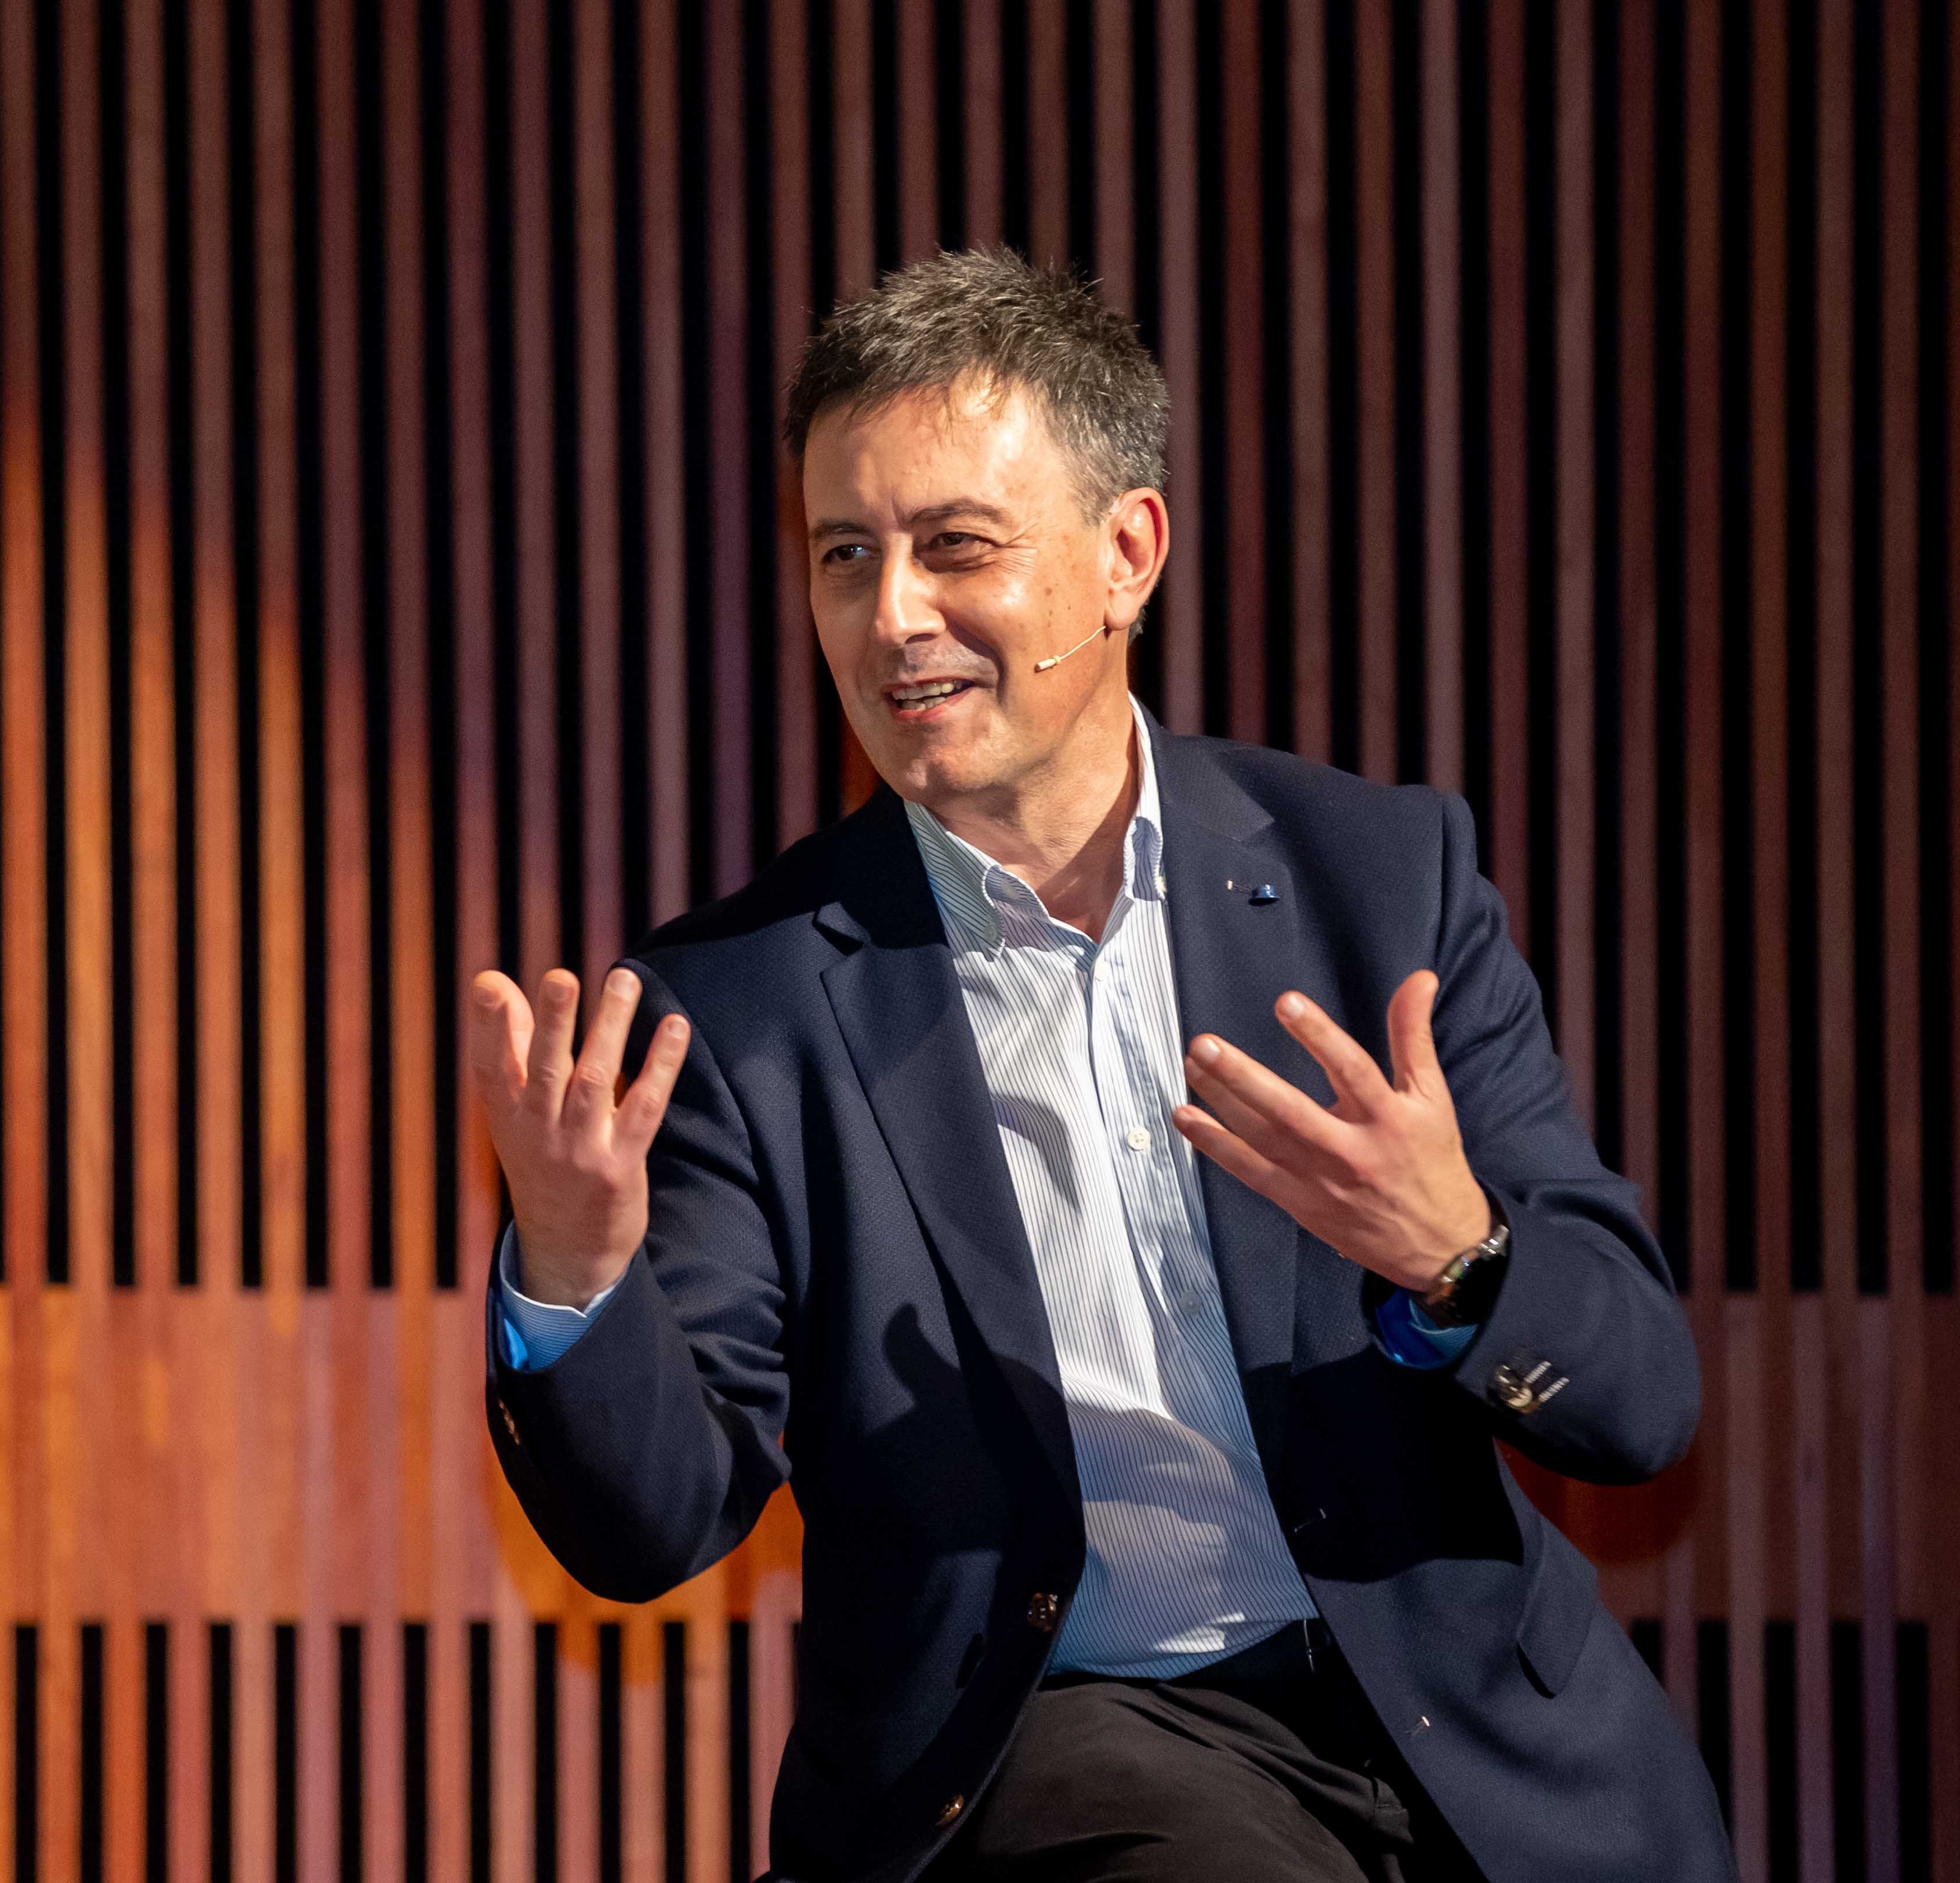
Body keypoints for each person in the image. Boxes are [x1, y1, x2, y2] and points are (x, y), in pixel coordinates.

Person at [465, 248, 1731, 1883]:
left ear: (1127, 553)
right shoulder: (741, 1007)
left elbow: (1640, 1406)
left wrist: (1458, 1258)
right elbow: (651, 1529)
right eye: (845, 555)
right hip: (1067, 1747)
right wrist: (576, 1277)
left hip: (1479, 1740)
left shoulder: (1375, 881)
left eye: (956, 547)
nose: (892, 616)